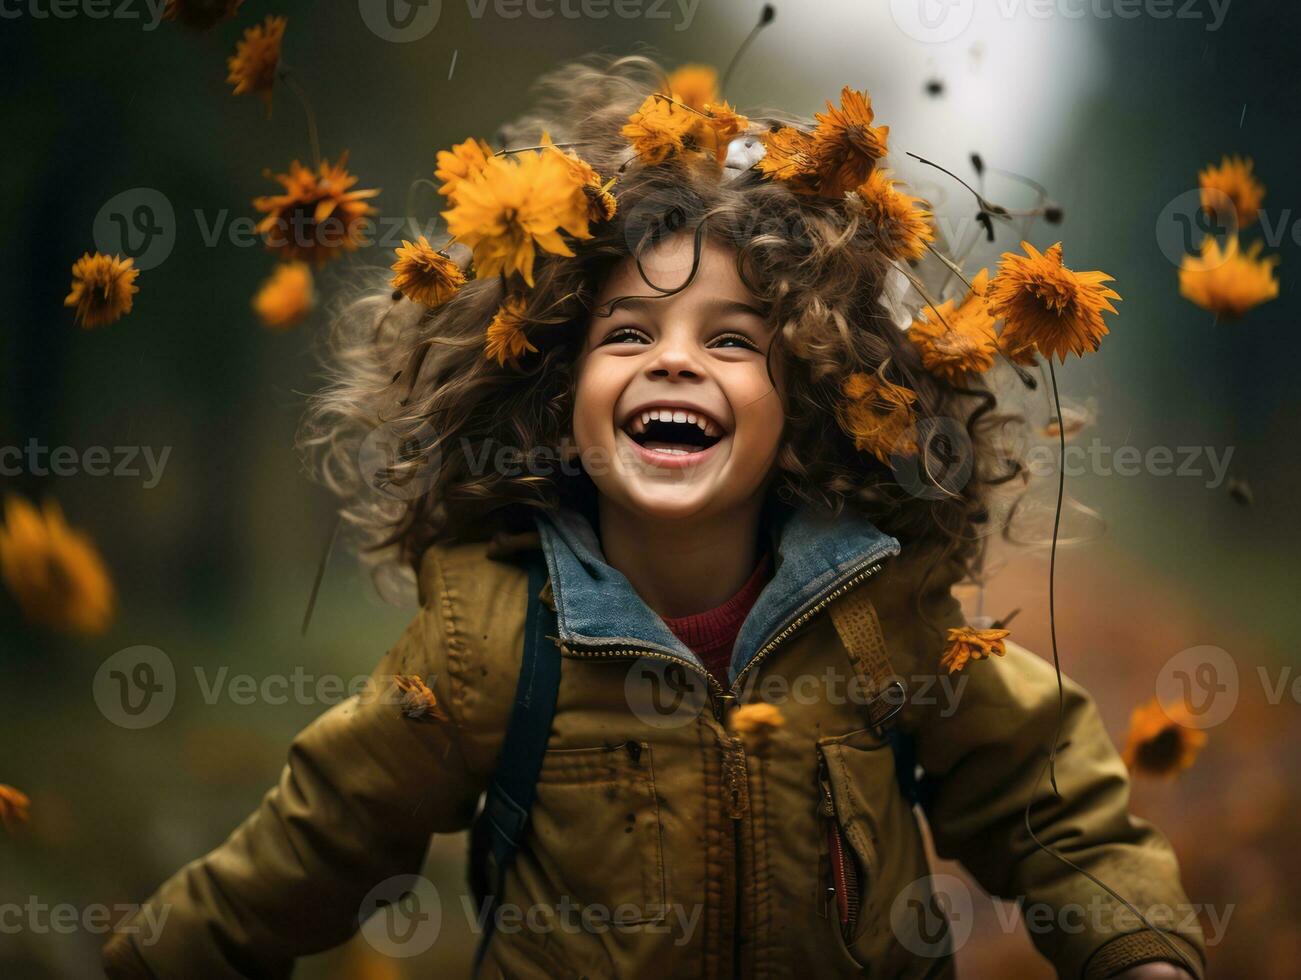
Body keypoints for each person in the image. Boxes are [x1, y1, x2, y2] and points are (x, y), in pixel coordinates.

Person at [102, 55, 1204, 979]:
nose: (674, 356)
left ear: (804, 402)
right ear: (556, 386)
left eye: (731, 341)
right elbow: (317, 842)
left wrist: (1139, 946)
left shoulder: (883, 619)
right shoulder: (493, 636)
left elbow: (1045, 796)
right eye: (627, 333)